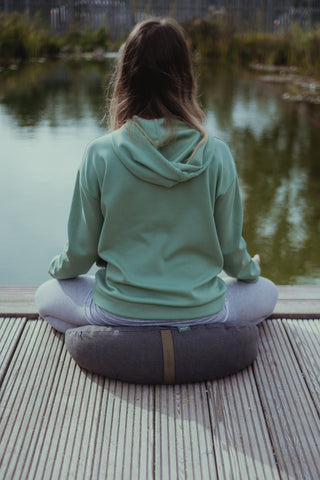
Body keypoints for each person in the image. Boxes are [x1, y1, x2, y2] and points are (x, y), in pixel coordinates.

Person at [36, 18, 278, 334]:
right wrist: (250, 270)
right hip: (200, 312)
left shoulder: (100, 153)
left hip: (120, 311)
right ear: (185, 78)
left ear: (126, 77)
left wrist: (56, 266)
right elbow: (232, 255)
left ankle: (120, 343)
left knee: (45, 296)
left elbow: (80, 257)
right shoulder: (216, 153)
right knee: (267, 291)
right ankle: (193, 342)